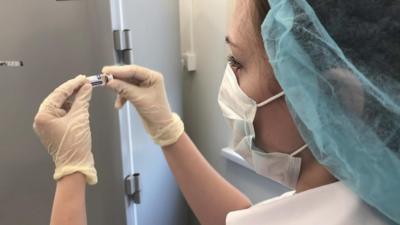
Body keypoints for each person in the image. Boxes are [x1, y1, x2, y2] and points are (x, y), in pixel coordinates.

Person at [33, 0, 399, 224]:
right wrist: (167, 129)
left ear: (335, 94)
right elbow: (237, 219)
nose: (229, 82)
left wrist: (71, 172)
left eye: (236, 62)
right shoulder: (366, 194)